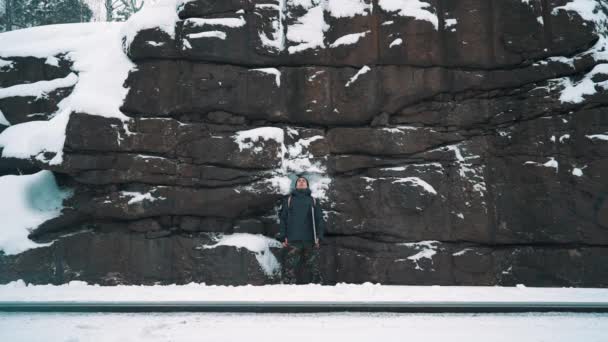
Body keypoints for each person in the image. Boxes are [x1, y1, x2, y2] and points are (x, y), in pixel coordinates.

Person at [277, 176, 325, 284]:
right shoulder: (289, 200)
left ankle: (317, 287)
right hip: (293, 239)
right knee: (289, 266)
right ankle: (288, 287)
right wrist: (283, 236)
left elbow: (319, 220)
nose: (301, 182)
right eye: (299, 181)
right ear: (295, 185)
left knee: (314, 265)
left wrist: (319, 236)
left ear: (307, 184)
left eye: (304, 181)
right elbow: (283, 219)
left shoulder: (313, 200)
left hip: (310, 239)